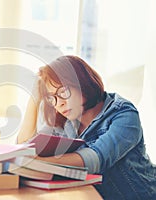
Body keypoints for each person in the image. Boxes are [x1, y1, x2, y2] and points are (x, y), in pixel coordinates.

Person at [17, 55, 156, 199]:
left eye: (63, 92)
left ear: (81, 82)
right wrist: (35, 95)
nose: (59, 103)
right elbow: (25, 147)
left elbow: (95, 160)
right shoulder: (65, 120)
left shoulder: (124, 114)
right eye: (52, 98)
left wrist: (36, 162)